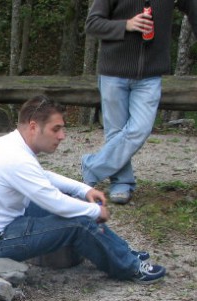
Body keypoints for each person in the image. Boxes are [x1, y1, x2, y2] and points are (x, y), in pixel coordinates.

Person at [0, 95, 166, 283]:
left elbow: (42, 177)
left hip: (0, 223)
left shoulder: (9, 143)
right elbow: (54, 201)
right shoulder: (15, 158)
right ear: (33, 127)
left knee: (76, 203)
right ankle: (130, 267)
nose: (62, 136)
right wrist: (96, 211)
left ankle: (121, 251)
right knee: (79, 222)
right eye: (55, 129)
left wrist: (84, 190)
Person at [82, 0, 197, 204]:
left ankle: (92, 167)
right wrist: (125, 25)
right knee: (116, 132)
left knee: (140, 129)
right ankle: (122, 182)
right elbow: (92, 24)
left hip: (150, 75)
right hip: (113, 72)